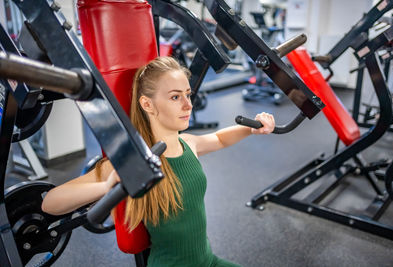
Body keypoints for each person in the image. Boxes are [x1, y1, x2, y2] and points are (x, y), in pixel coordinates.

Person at [41, 56, 275, 267]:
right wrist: (105, 187)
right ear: (147, 104)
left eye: (187, 94)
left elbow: (219, 138)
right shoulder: (133, 162)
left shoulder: (188, 144)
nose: (188, 105)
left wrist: (251, 128)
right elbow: (50, 204)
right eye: (175, 97)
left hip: (207, 261)